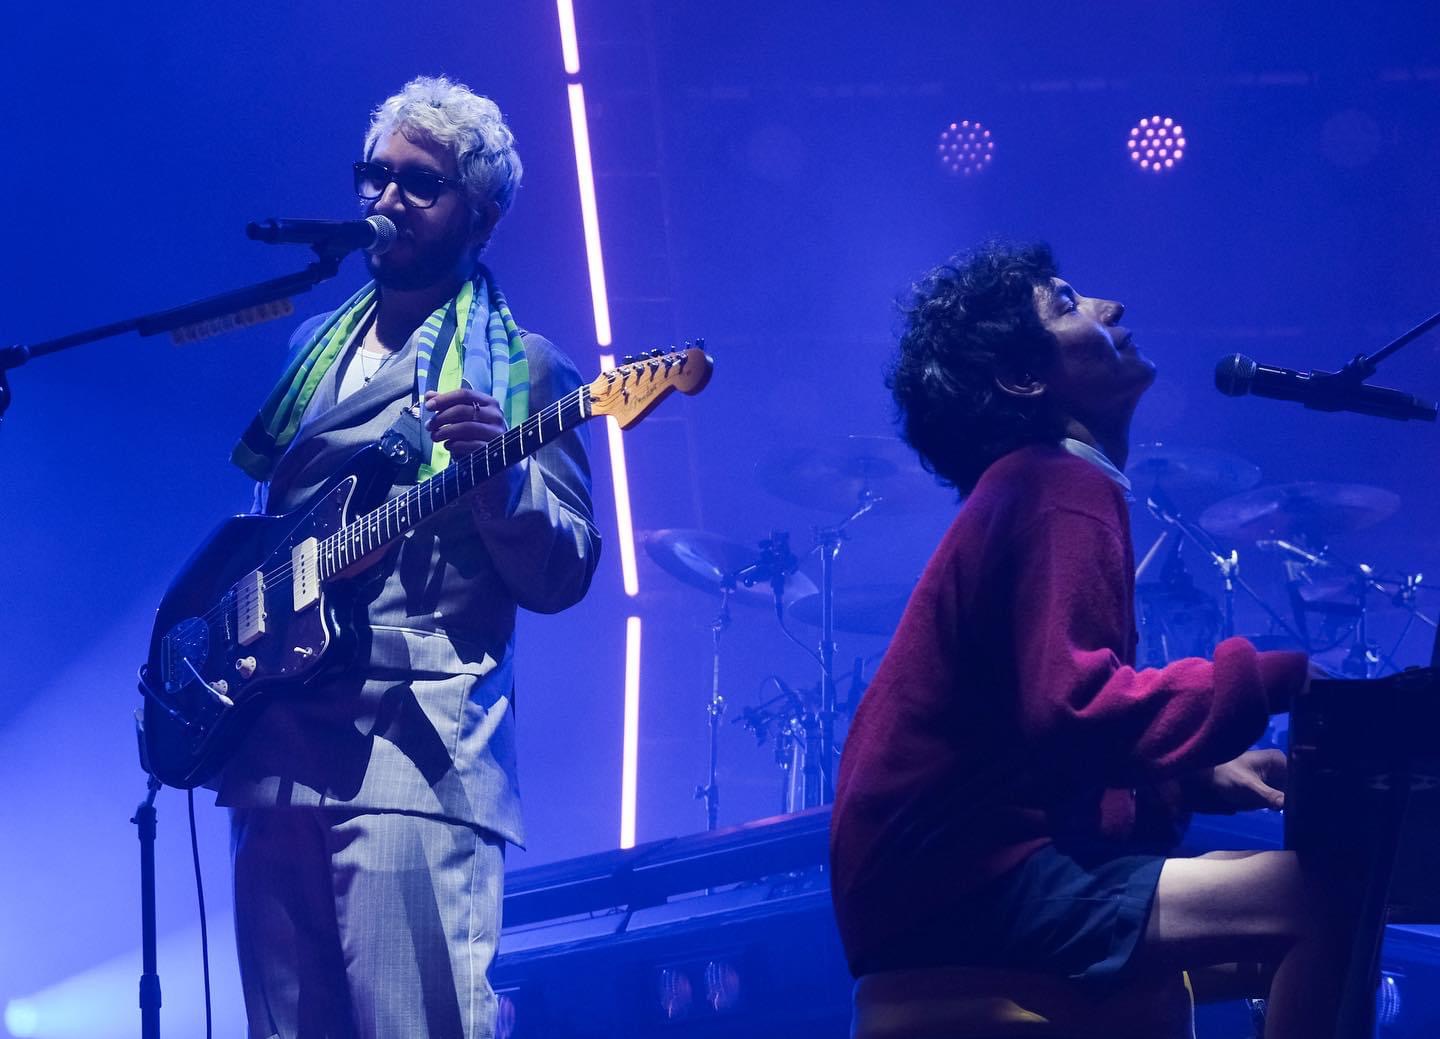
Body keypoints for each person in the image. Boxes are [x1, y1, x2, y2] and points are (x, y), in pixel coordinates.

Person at [829, 241, 1359, 1037]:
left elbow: (1042, 736)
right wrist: (1277, 675)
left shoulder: (1041, 484)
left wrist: (1195, 774)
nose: (1112, 307)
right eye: (1069, 303)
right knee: (1321, 900)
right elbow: (1073, 708)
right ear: (1023, 377)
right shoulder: (1055, 484)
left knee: (1262, 904)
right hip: (964, 881)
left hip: (927, 885)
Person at [217, 76, 600, 1038]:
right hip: (278, 747)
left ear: (483, 217)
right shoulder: (312, 347)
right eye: (375, 176)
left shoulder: (528, 368)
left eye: (420, 183)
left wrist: (499, 483)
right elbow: (271, 533)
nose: (387, 199)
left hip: (414, 753)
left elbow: (566, 569)